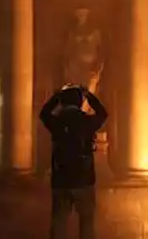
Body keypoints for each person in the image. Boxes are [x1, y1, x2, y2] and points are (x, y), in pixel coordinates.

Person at [40, 83, 108, 239]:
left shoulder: (57, 122)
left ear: (63, 102)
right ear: (79, 102)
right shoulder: (87, 122)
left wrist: (56, 96)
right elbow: (103, 113)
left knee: (59, 223)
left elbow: (43, 114)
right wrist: (89, 95)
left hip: (61, 179)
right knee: (86, 223)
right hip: (84, 179)